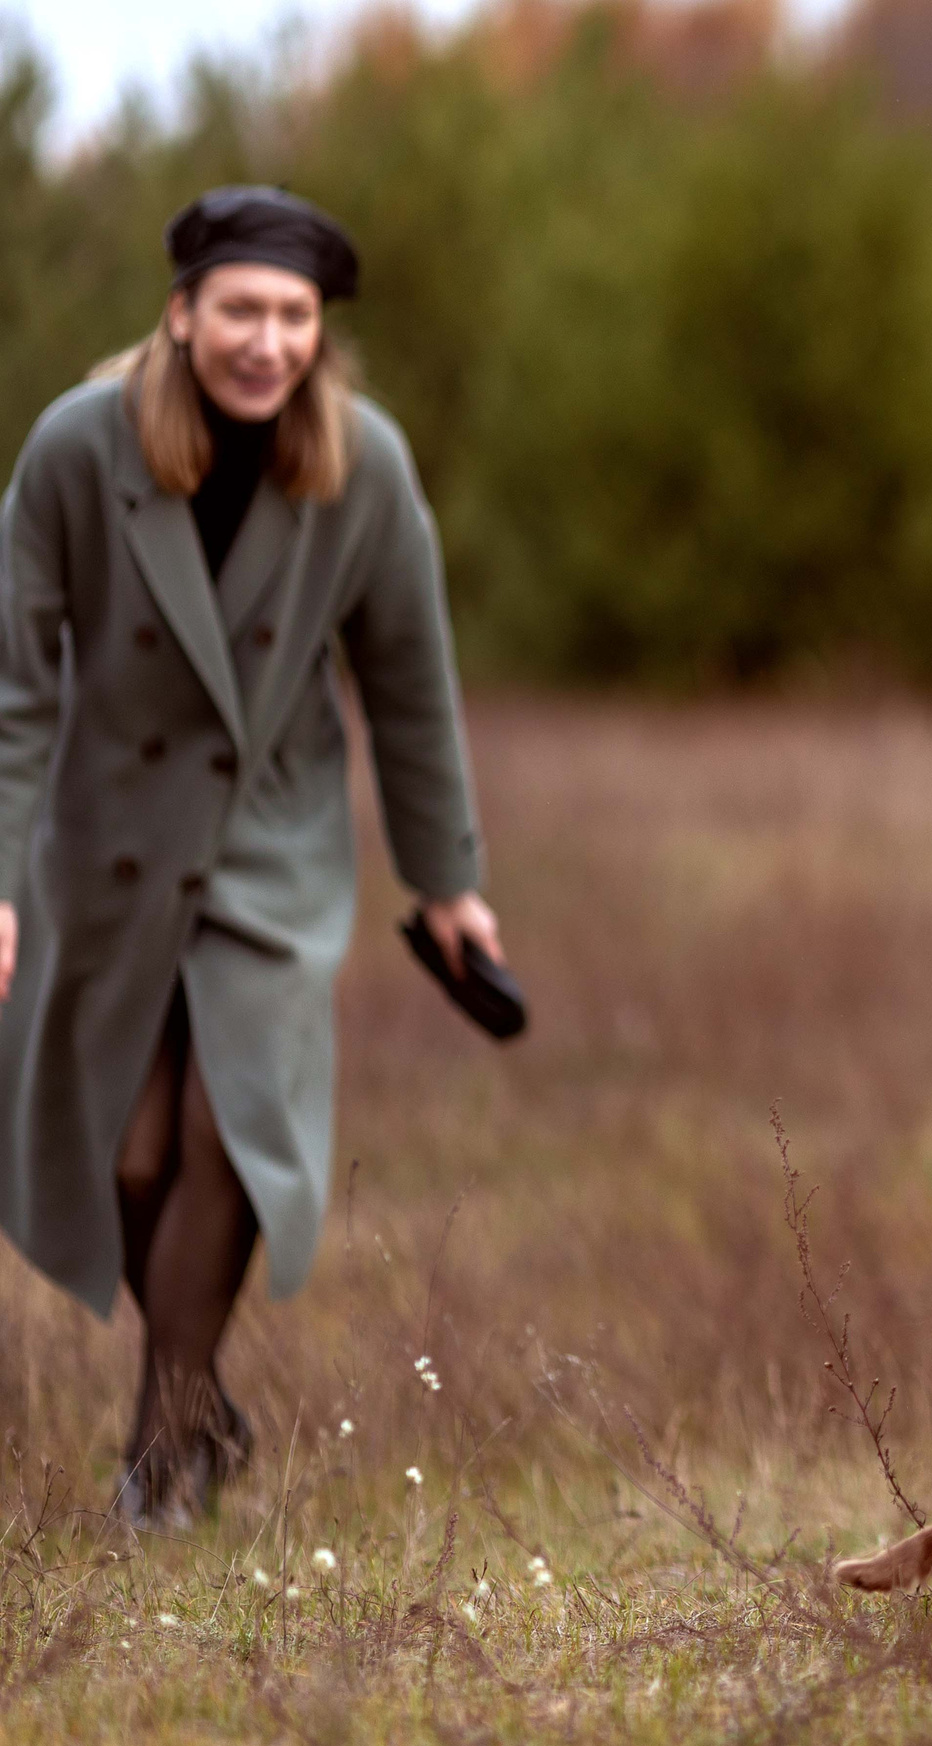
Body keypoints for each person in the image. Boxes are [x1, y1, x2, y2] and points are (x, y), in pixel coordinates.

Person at [0, 186, 502, 1528]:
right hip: (106, 836)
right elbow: (14, 690)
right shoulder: (76, 448)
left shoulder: (362, 464)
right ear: (182, 315)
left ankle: (162, 1453)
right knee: (129, 1157)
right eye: (239, 310)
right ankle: (209, 1410)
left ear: (318, 329)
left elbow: (409, 683)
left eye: (292, 315)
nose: (266, 342)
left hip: (269, 837)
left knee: (230, 1134)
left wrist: (447, 882)